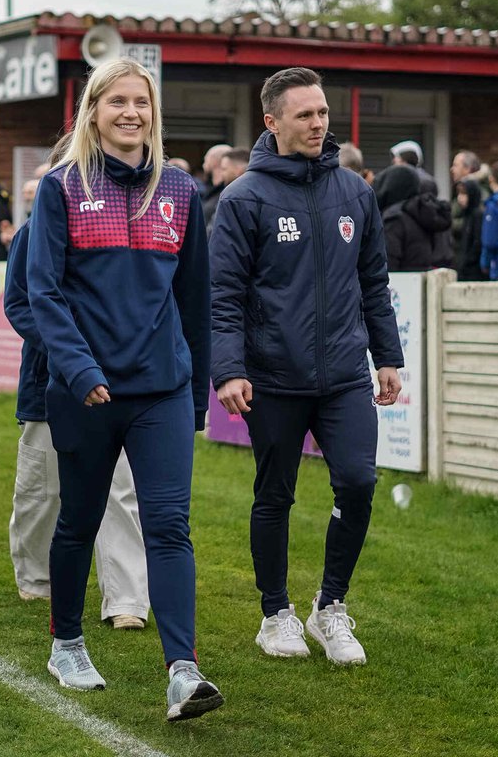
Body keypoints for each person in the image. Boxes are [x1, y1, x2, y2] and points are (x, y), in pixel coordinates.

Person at [26, 57, 221, 720]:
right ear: (94, 112)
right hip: (84, 392)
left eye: (141, 102)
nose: (131, 112)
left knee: (169, 525)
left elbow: (195, 300)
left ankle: (183, 671)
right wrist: (80, 372)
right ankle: (67, 643)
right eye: (117, 102)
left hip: (161, 390)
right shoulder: (59, 190)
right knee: (78, 521)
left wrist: (193, 395)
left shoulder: (181, 191)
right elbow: (42, 293)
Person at [210, 67, 403, 667]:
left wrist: (388, 357)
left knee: (359, 482)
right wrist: (228, 369)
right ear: (273, 122)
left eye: (323, 113)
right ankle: (275, 614)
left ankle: (331, 607)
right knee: (275, 495)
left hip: (345, 373)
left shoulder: (356, 193)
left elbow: (375, 283)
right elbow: (222, 296)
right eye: (306, 114)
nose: (319, 123)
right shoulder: (244, 198)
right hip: (272, 376)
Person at [5, 209, 149, 629]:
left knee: (120, 490)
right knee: (43, 489)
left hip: (119, 379)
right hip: (49, 379)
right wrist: (70, 354)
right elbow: (19, 302)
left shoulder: (129, 223)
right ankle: (37, 576)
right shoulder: (35, 229)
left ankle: (126, 599)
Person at [372, 163, 453, 271]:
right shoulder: (426, 213)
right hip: (423, 281)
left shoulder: (394, 218)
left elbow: (387, 263)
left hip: (401, 284)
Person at [452, 178, 487, 280]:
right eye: (459, 194)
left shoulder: (477, 215)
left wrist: (467, 261)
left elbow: (477, 243)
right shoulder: (466, 215)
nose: (460, 198)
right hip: (464, 269)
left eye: (464, 194)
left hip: (473, 271)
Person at [201, 143, 231, 232]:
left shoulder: (225, 193)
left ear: (213, 161)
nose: (203, 164)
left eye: (206, 159)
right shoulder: (211, 190)